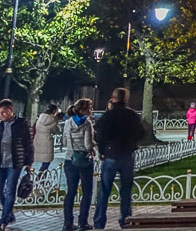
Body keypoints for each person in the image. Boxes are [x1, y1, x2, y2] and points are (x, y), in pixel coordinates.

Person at [92, 88, 144, 230]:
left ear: (114, 98)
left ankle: (99, 221)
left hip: (111, 154)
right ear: (126, 99)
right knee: (126, 190)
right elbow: (141, 132)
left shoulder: (109, 116)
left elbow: (100, 134)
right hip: (126, 154)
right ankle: (125, 219)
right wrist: (132, 142)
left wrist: (102, 151)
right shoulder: (131, 115)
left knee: (104, 190)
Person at [62, 99, 97, 231]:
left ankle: (67, 223)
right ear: (83, 110)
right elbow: (88, 145)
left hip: (69, 159)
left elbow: (65, 142)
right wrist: (94, 144)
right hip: (84, 160)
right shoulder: (87, 123)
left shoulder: (67, 123)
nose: (91, 110)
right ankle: (83, 223)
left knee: (70, 192)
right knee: (87, 192)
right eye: (90, 108)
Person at [0, 98, 34, 231]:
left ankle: (3, 221)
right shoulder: (1, 125)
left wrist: (29, 162)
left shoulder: (22, 123)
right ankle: (9, 215)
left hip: (15, 163)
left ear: (10, 110)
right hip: (1, 162)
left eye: (3, 112)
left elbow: (28, 144)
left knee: (10, 191)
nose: (1, 115)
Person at [33, 104, 61, 172]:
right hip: (47, 142)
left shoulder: (40, 117)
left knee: (36, 158)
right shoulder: (53, 120)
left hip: (37, 140)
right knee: (47, 161)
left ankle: (33, 173)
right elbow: (56, 131)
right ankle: (41, 175)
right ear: (54, 111)